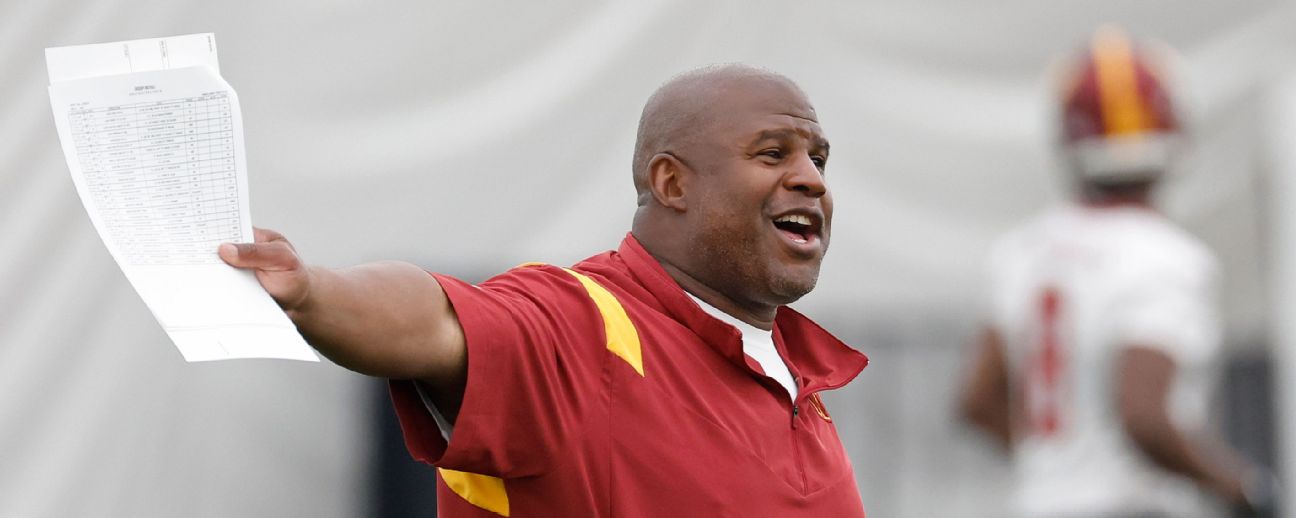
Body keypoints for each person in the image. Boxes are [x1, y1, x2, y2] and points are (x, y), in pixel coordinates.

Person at [220, 64, 869, 516]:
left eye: (819, 158)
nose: (810, 178)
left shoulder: (800, 377)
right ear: (672, 184)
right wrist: (312, 292)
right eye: (772, 153)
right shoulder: (584, 326)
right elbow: (437, 318)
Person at [957, 26, 1272, 517]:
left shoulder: (1021, 251)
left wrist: (1056, 464)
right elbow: (1144, 416)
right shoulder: (1166, 258)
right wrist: (1241, 486)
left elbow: (978, 401)